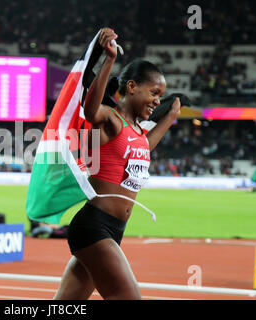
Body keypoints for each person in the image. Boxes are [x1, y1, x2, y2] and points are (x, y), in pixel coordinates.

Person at [53, 28, 181, 300]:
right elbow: (90, 110)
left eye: (161, 95)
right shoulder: (111, 119)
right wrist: (109, 59)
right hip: (94, 227)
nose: (157, 100)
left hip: (112, 230)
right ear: (131, 87)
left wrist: (169, 117)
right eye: (154, 92)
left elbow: (146, 145)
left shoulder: (137, 131)